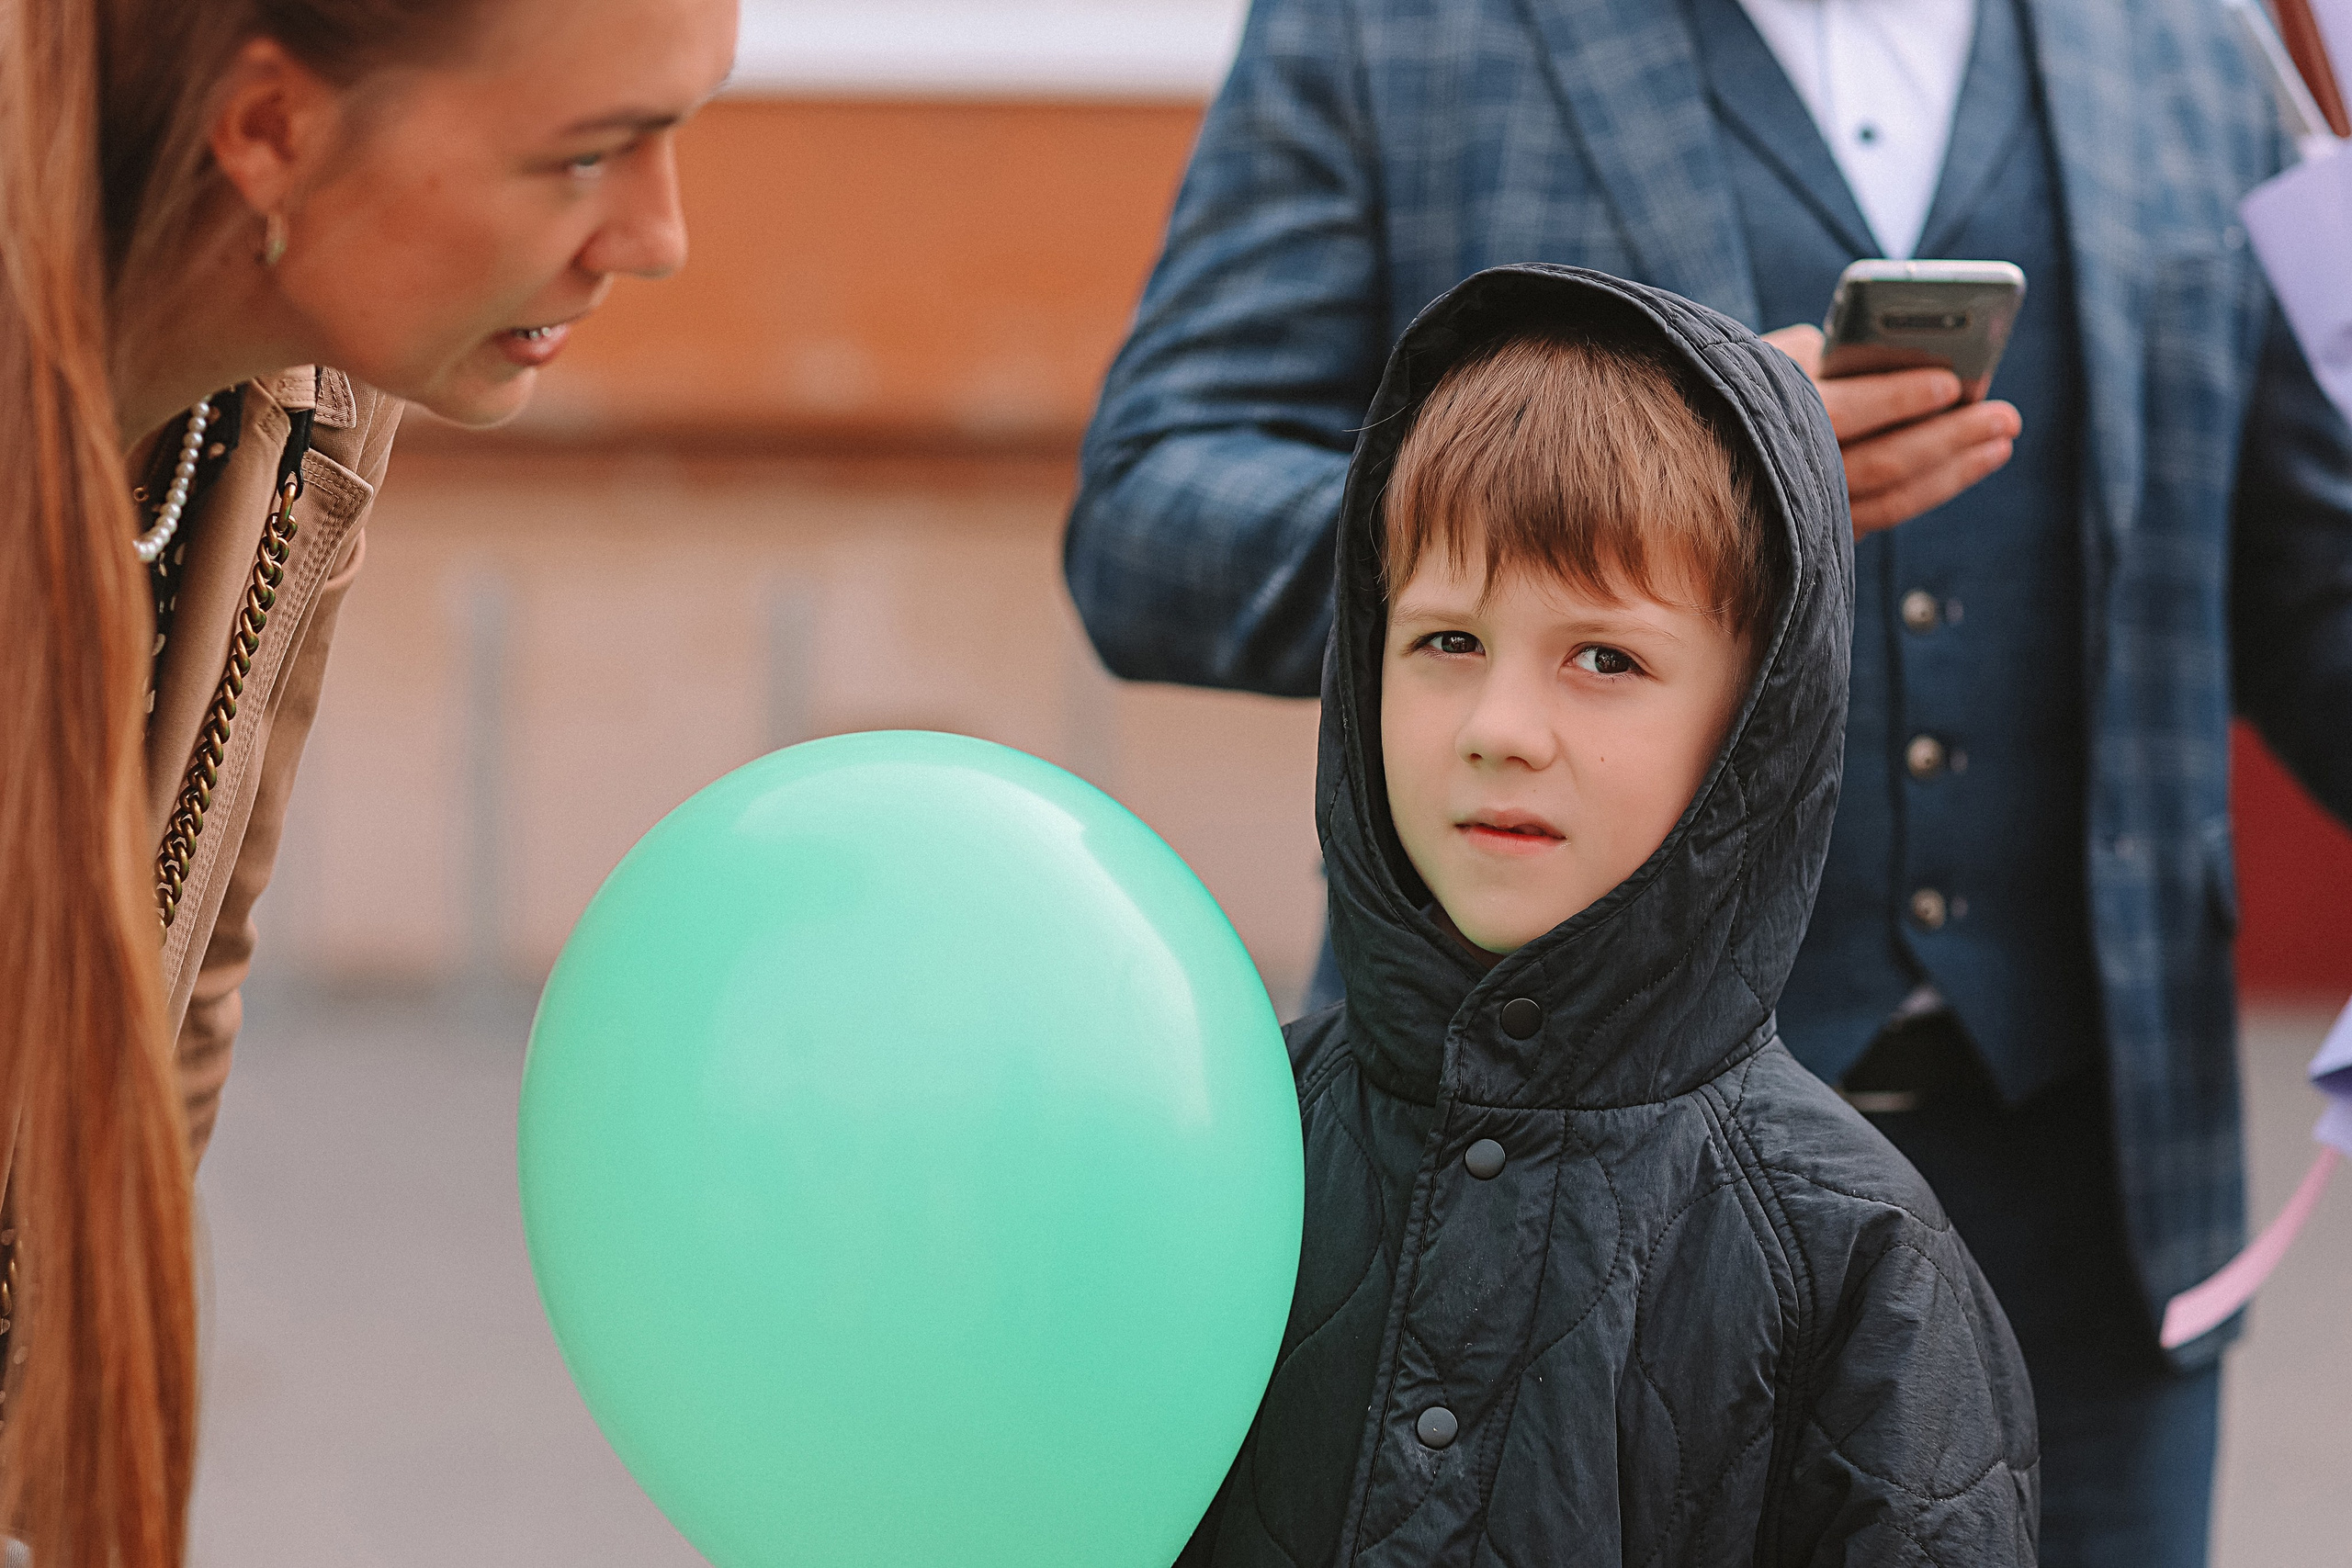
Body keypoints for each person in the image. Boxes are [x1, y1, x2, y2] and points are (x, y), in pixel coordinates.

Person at [1064, 1, 2352, 1560]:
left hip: (2096, 1205)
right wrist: (1644, 490)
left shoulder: (2186, 48)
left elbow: (2309, 588)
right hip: (1532, 1198)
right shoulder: (1385, 27)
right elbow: (1146, 517)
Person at [0, 0, 734, 1560]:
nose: (660, 234)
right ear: (268, 130)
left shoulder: (306, 394)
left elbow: (180, 979)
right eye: (588, 152)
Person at [1178, 262, 2036, 1566]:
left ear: (1752, 726)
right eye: (1448, 642)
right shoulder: (1219, 1141)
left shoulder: (1856, 1258)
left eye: (1605, 659)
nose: (1501, 731)